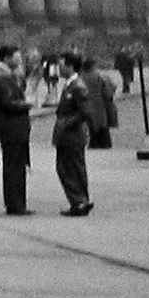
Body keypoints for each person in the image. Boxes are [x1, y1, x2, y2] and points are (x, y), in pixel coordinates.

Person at [0, 44, 35, 215]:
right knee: (15, 167)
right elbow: (8, 102)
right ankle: (16, 204)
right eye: (17, 57)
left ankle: (15, 202)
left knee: (13, 166)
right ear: (7, 58)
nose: (19, 60)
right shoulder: (3, 77)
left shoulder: (6, 75)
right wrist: (27, 104)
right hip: (12, 127)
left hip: (11, 127)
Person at [52, 56, 95, 216]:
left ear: (70, 66)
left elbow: (85, 112)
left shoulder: (77, 86)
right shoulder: (70, 85)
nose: (59, 68)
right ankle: (80, 200)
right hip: (68, 135)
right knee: (71, 168)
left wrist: (67, 123)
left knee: (69, 169)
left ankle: (79, 201)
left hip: (72, 135)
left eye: (62, 65)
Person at [83, 57, 120, 149]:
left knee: (92, 124)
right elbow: (109, 91)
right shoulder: (100, 76)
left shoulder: (82, 77)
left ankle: (94, 143)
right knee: (102, 124)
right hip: (100, 104)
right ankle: (104, 143)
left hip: (87, 104)